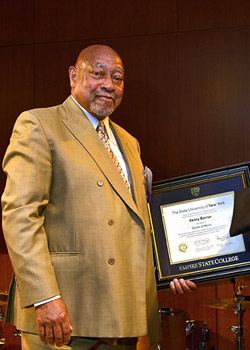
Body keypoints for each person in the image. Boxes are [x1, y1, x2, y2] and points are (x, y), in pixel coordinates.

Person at [1, 45, 196, 350]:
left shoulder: (129, 142)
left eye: (117, 77)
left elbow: (134, 224)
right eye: (98, 73)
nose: (109, 84)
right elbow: (20, 215)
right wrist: (45, 298)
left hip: (121, 314)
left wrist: (172, 268)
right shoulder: (39, 124)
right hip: (64, 315)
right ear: (73, 75)